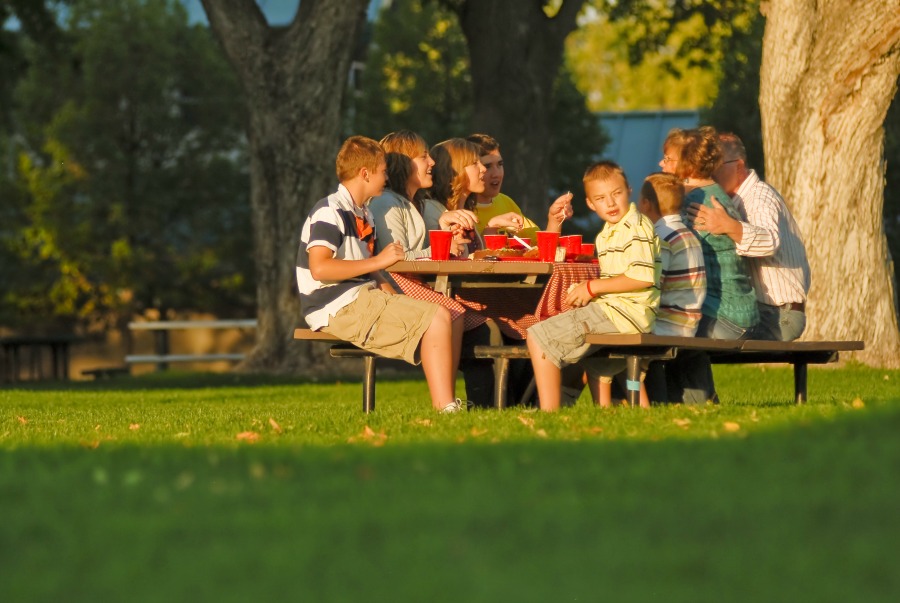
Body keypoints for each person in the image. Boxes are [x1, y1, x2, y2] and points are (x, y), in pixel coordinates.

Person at [296, 135, 467, 413]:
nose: (386, 177)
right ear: (365, 173)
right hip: (336, 306)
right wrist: (378, 261)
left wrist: (391, 294)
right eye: (382, 171)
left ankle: (446, 404)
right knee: (437, 318)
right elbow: (320, 268)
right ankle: (445, 408)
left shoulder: (364, 213)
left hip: (360, 297)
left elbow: (371, 269)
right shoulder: (330, 211)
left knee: (442, 313)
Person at [368, 130, 491, 406]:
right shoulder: (387, 203)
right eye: (423, 157)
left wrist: (447, 237)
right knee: (454, 311)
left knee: (472, 317)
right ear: (403, 164)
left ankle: (449, 399)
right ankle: (445, 401)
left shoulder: (411, 204)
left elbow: (420, 255)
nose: (431, 162)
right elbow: (397, 259)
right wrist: (443, 247)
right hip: (394, 283)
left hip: (414, 281)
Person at [526, 161, 661, 411]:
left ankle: (549, 412)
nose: (610, 203)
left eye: (616, 194)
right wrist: (588, 290)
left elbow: (643, 277)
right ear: (590, 204)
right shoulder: (608, 232)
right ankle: (640, 413)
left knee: (538, 336)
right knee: (596, 359)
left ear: (629, 190)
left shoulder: (635, 227)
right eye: (600, 198)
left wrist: (591, 288)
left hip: (625, 314)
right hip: (623, 312)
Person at [665, 126, 758, 403]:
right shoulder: (713, 193)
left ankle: (690, 403)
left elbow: (671, 254)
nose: (662, 164)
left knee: (664, 326)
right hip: (740, 311)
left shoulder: (692, 201)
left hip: (724, 315)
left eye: (668, 159)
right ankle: (693, 403)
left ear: (687, 163)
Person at [689, 132, 811, 341]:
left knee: (688, 334)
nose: (711, 174)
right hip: (764, 311)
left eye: (716, 166)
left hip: (779, 316)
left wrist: (728, 225)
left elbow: (769, 241)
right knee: (688, 332)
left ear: (738, 165)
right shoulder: (732, 200)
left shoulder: (759, 197)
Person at [637, 172, 707, 404]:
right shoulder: (688, 234)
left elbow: (652, 283)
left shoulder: (661, 237)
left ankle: (645, 399)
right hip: (688, 322)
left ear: (646, 204)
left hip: (667, 325)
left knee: (623, 338)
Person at [466, 133, 573, 239]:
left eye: (500, 164)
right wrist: (491, 227)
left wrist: (555, 219)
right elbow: (467, 254)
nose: (496, 173)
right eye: (487, 166)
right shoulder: (459, 210)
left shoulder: (506, 202)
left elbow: (540, 246)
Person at [428, 138, 523, 246]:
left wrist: (492, 225)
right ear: (455, 170)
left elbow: (474, 256)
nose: (483, 169)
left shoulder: (466, 209)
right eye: (474, 163)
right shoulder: (432, 211)